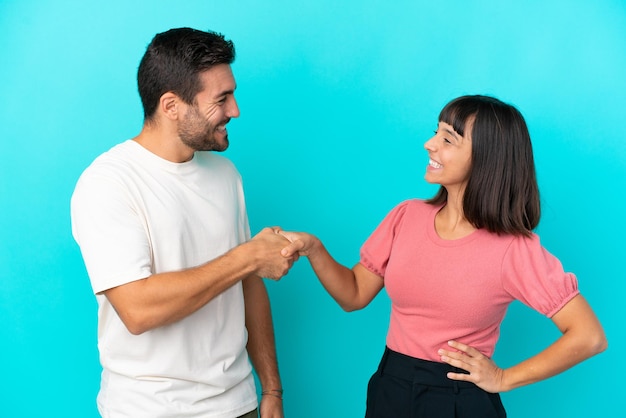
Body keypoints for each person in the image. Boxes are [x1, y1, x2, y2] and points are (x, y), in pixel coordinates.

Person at [280, 95, 607, 417]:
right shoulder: (406, 216)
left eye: (448, 139)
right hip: (390, 386)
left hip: (457, 398)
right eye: (436, 132)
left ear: (486, 158)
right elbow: (353, 294)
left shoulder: (513, 249)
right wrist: (314, 249)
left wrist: (504, 378)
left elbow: (589, 335)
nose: (429, 144)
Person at [71, 28, 293, 418]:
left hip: (238, 405)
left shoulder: (225, 175)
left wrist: (271, 389)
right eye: (221, 99)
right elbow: (137, 310)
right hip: (148, 409)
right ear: (171, 105)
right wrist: (248, 257)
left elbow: (250, 286)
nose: (235, 110)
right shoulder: (108, 182)